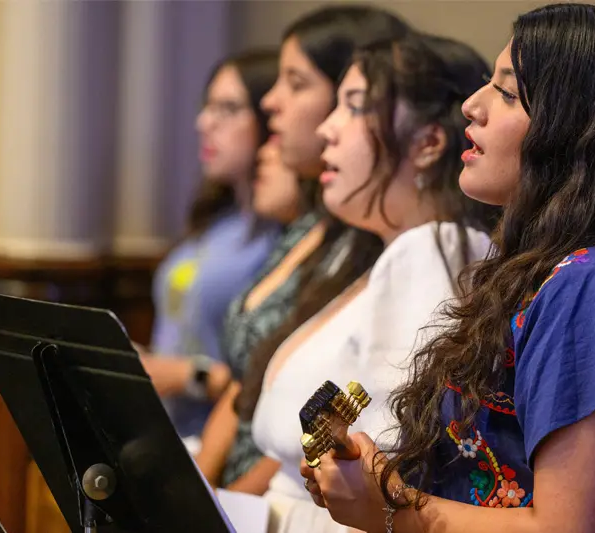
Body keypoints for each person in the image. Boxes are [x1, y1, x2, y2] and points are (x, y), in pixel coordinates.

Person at [302, 4, 595, 533]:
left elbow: (564, 526)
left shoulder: (589, 282)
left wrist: (389, 506)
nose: (471, 105)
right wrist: (375, 478)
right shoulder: (545, 271)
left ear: (580, 130)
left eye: (508, 93)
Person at [250, 31, 496, 533]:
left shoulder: (434, 252)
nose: (327, 129)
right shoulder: (395, 254)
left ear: (428, 143)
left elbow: (385, 462)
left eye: (355, 107)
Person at [193, 5, 411, 489]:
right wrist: (202, 486)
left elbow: (341, 410)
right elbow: (246, 379)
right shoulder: (310, 226)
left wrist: (230, 501)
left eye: (295, 82)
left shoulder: (391, 245)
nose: (271, 101)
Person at [141, 50, 283, 440]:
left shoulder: (284, 236)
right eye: (208, 106)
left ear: (271, 118)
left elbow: (266, 379)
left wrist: (191, 375)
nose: (204, 122)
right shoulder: (218, 220)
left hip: (218, 441)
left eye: (228, 108)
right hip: (166, 432)